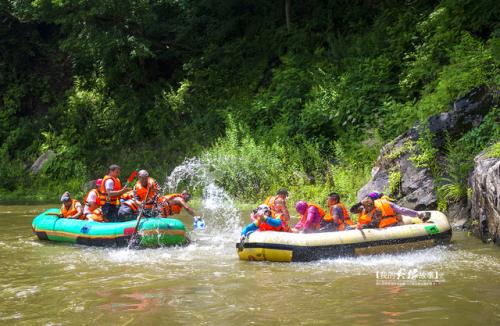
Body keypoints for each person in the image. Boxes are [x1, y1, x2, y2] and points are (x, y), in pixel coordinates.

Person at [357, 195, 429, 229]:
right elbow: (401, 210)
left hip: (384, 228)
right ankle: (419, 215)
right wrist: (417, 214)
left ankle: (417, 215)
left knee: (399, 218)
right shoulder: (386, 203)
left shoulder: (367, 207)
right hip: (392, 226)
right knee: (399, 215)